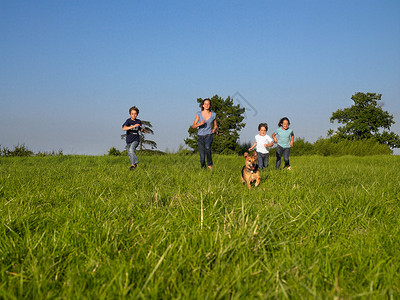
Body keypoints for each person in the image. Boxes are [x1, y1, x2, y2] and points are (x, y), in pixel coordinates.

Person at [192, 98, 218, 169]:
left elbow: (215, 125)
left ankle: (209, 164)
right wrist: (199, 124)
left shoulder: (213, 115)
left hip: (209, 135)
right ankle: (203, 169)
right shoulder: (199, 114)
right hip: (200, 136)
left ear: (210, 106)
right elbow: (193, 126)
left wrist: (214, 129)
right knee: (202, 156)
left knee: (207, 147)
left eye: (208, 104)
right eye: (205, 104)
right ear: (203, 105)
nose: (206, 105)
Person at [122, 106, 146, 170]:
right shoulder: (128, 121)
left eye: (135, 114)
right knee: (130, 153)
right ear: (130, 114)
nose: (134, 115)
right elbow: (124, 128)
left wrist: (142, 130)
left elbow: (138, 128)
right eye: (132, 114)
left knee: (131, 150)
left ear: (137, 114)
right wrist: (133, 126)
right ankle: (133, 165)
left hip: (136, 139)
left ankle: (134, 164)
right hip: (129, 140)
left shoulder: (138, 121)